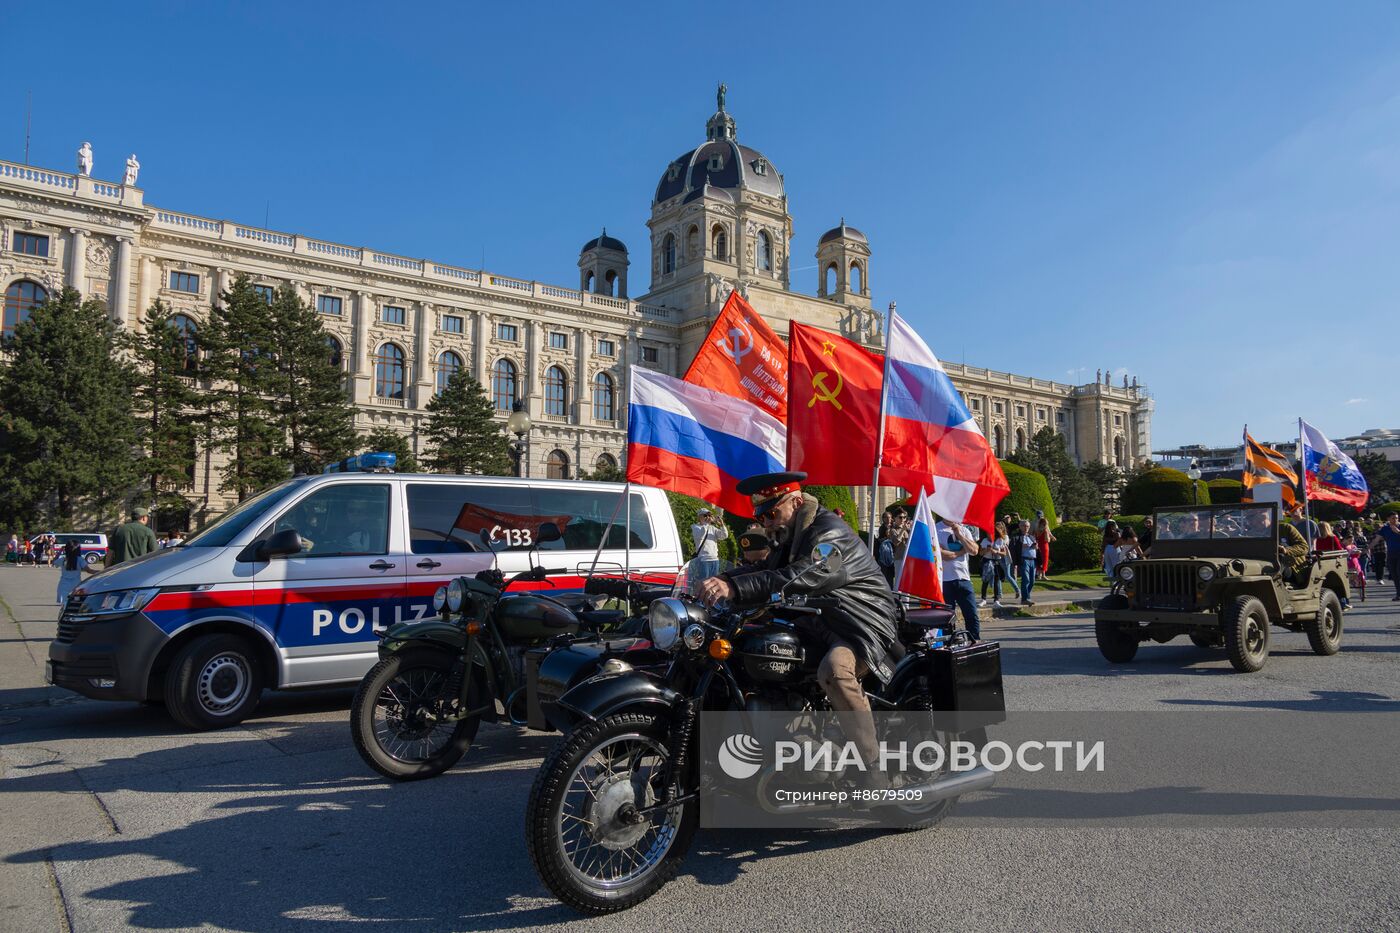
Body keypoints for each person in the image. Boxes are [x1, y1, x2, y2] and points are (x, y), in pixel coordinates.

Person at [699, 471, 897, 774]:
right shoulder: (791, 534)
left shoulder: (828, 532)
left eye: (772, 513)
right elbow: (766, 568)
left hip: (856, 622)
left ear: (797, 501)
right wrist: (721, 580)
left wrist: (735, 589)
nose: (767, 523)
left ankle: (872, 766)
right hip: (818, 619)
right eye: (763, 516)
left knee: (833, 671)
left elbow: (803, 576)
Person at [689, 508, 728, 584]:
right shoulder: (695, 527)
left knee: (714, 583)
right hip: (703, 560)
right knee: (704, 583)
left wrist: (722, 525)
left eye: (709, 515)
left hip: (715, 560)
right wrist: (707, 524)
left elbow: (724, 535)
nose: (708, 517)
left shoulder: (712, 528)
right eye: (705, 515)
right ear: (699, 517)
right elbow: (700, 535)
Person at [979, 521, 1011, 608]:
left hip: (996, 561)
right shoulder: (984, 540)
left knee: (997, 581)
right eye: (988, 533)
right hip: (987, 561)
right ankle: (983, 599)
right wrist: (986, 550)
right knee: (985, 580)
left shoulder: (1000, 540)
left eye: (991, 533)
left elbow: (1004, 553)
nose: (989, 535)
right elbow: (980, 553)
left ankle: (996, 600)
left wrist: (996, 551)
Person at [1012, 519, 1039, 605]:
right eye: (1024, 526)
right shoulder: (1017, 537)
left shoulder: (1031, 536)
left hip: (1032, 560)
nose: (1026, 528)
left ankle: (1027, 596)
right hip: (1024, 559)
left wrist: (1035, 546)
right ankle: (1025, 598)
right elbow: (1013, 547)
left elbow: (1036, 547)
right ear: (1020, 527)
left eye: (1027, 526)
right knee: (1026, 579)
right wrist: (1022, 545)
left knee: (1032, 580)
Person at [1376, 513, 1400, 601]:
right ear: (1388, 519)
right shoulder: (1385, 529)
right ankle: (1398, 594)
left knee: (1399, 572)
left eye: (1396, 518)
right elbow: (1376, 539)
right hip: (1391, 554)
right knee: (1394, 575)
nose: (1395, 520)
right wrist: (1367, 548)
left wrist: (1398, 532)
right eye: (1393, 518)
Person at [54, 538, 83, 609]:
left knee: (65, 606)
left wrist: (60, 551)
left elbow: (54, 562)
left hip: (63, 584)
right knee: (76, 605)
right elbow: (89, 570)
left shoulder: (63, 559)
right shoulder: (79, 560)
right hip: (76, 584)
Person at [1342, 534, 1366, 604]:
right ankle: (1346, 596)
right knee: (1349, 580)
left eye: (1352, 540)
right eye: (1349, 540)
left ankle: (1361, 594)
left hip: (1355, 564)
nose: (1351, 542)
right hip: (1347, 564)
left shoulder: (1353, 546)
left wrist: (1358, 553)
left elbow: (1357, 556)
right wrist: (1351, 552)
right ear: (1345, 540)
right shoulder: (1343, 546)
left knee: (1357, 580)